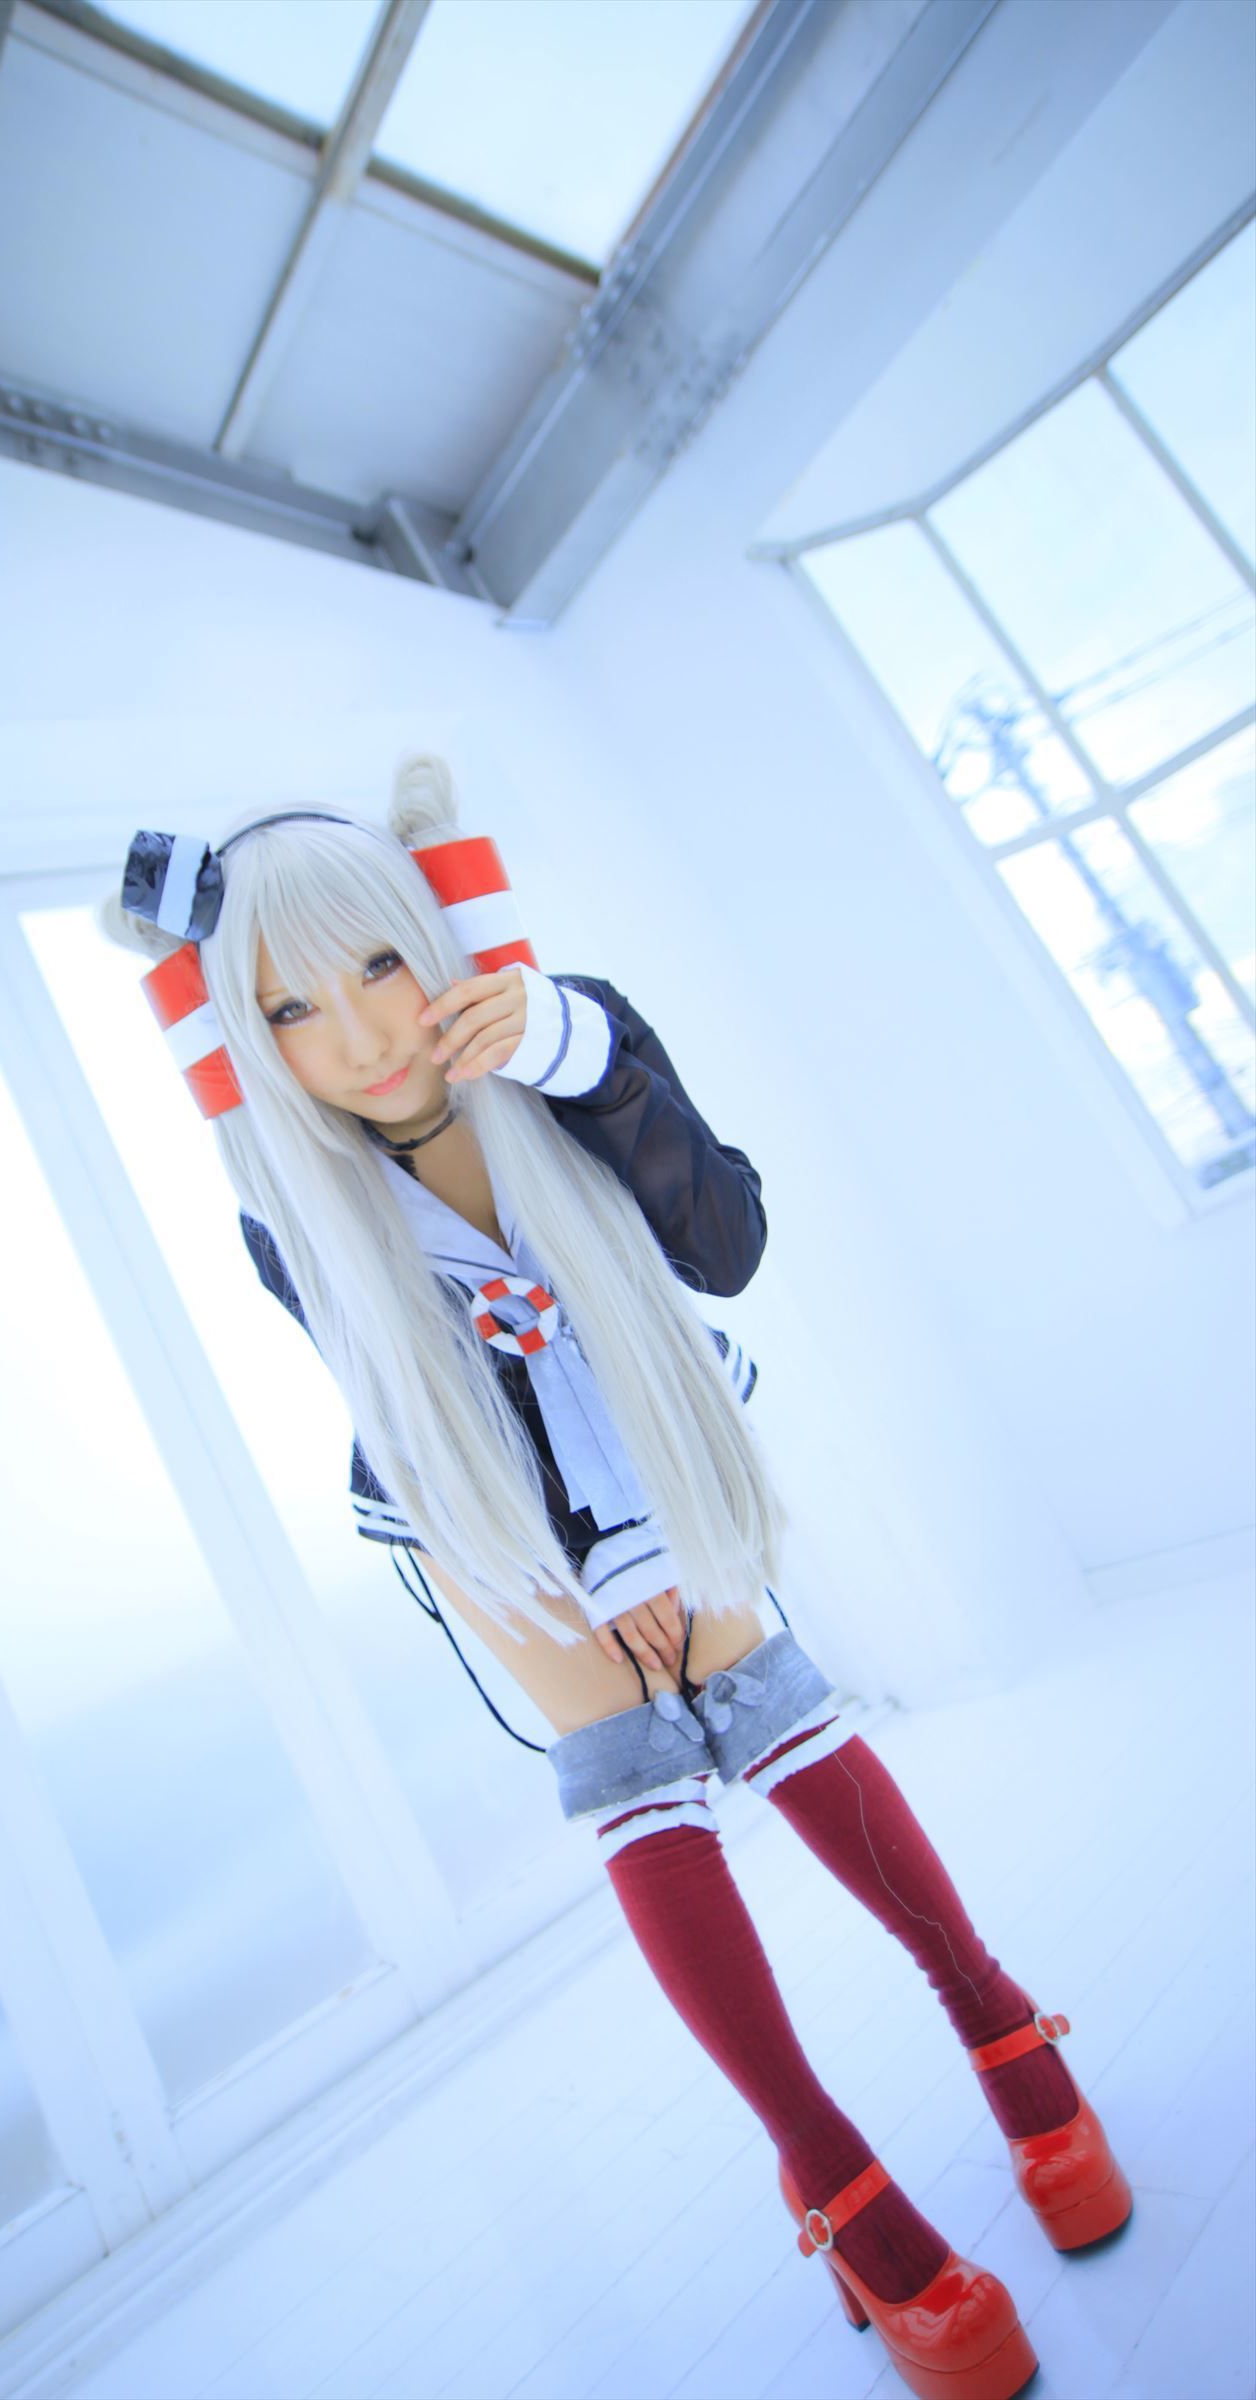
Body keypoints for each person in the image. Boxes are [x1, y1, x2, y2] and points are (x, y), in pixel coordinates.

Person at [98, 755, 1131, 2400]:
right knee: (634, 1758)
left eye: (379, 964)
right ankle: (842, 2186)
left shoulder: (574, 1036)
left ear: (437, 932)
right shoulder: (288, 1204)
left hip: (659, 1418)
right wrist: (591, 1574)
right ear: (250, 1038)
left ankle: (1002, 2028)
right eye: (290, 1010)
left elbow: (726, 1248)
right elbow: (416, 1411)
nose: (358, 1037)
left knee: (758, 1695)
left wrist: (572, 1054)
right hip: (486, 1507)